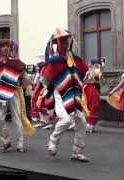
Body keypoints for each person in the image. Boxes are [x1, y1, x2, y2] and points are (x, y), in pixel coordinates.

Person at [40, 28, 89, 162]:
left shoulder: (75, 58)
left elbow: (84, 73)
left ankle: (77, 151)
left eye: (66, 39)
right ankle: (53, 141)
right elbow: (44, 78)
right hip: (59, 92)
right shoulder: (54, 60)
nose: (65, 42)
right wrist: (49, 86)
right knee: (66, 119)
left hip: (75, 93)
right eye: (61, 40)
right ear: (57, 43)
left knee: (82, 122)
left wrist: (88, 77)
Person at [0, 39, 35, 152]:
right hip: (0, 94)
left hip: (14, 92)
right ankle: (6, 141)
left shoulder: (17, 62)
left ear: (11, 48)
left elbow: (25, 78)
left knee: (17, 118)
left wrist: (26, 85)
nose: (5, 48)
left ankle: (20, 143)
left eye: (7, 46)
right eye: (2, 46)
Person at [83, 57, 105, 133]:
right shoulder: (99, 72)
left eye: (90, 63)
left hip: (89, 89)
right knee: (94, 106)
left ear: (92, 64)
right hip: (96, 90)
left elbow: (84, 81)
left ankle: (88, 125)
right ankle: (92, 125)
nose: (88, 64)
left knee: (88, 105)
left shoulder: (90, 72)